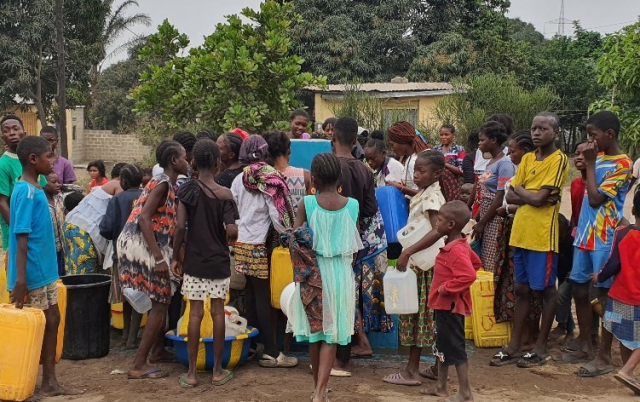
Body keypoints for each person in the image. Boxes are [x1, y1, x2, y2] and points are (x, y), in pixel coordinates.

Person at [492, 112, 569, 368]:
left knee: (546, 291)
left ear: (556, 133)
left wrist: (522, 192)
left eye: (543, 129)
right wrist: (529, 194)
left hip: (541, 237)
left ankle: (540, 346)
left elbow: (529, 197)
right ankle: (514, 345)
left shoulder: (558, 161)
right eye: (534, 128)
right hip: (520, 233)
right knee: (522, 289)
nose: (536, 133)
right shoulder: (526, 158)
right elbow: (511, 196)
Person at [7, 136, 82, 397]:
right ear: (33, 160)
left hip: (45, 270)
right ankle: (28, 379)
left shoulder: (36, 187)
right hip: (32, 273)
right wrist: (20, 280)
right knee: (34, 327)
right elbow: (21, 236)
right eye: (48, 156)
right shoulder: (25, 191)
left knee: (53, 319)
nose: (53, 161)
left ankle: (50, 381)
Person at [291, 153, 362, 402]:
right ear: (339, 176)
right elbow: (351, 244)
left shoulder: (307, 204)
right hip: (341, 273)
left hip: (313, 273)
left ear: (315, 177)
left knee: (315, 332)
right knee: (332, 334)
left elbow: (296, 239)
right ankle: (321, 391)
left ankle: (317, 389)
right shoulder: (352, 205)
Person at [117, 140, 190, 379]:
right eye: (183, 157)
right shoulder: (162, 184)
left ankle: (157, 351)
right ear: (173, 161)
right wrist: (159, 259)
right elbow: (144, 219)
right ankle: (138, 365)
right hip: (142, 246)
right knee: (161, 301)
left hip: (142, 244)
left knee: (162, 297)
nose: (187, 161)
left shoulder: (164, 183)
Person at [171, 139, 239, 387]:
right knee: (218, 311)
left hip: (195, 261)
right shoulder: (225, 194)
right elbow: (232, 229)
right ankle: (218, 371)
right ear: (218, 162)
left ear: (193, 163)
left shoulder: (187, 190)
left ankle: (190, 373)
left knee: (196, 313)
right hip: (218, 262)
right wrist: (228, 237)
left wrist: (175, 255)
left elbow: (179, 227)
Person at [570, 111, 632, 375]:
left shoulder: (623, 164)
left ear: (610, 135)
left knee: (604, 295)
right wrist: (587, 167)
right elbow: (587, 189)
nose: (590, 142)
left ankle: (605, 357)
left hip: (604, 238)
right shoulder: (601, 159)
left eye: (593, 136)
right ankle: (587, 344)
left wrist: (591, 165)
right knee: (579, 290)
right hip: (585, 235)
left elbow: (596, 199)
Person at [231, 135, 298, 368]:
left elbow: (234, 209)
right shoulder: (271, 177)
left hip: (241, 243)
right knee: (263, 298)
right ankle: (271, 351)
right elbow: (277, 213)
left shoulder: (240, 178)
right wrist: (287, 234)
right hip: (260, 243)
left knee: (249, 294)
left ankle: (250, 346)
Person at [332, 118, 392, 369]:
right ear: (356, 140)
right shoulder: (364, 168)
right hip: (372, 237)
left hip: (353, 240)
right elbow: (369, 207)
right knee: (359, 294)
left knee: (348, 293)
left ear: (333, 138)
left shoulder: (333, 167)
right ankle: (363, 341)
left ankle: (356, 344)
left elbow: (343, 210)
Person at [383, 150, 445, 386]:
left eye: (422, 171)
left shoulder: (431, 199)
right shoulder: (426, 193)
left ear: (437, 173)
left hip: (423, 265)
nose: (416, 175)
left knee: (418, 316)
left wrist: (407, 252)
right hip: (423, 262)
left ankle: (411, 371)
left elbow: (437, 230)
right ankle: (438, 368)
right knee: (429, 317)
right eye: (415, 170)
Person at [425, 200, 480, 401]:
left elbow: (469, 275)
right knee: (441, 346)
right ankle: (441, 386)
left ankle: (465, 393)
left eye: (439, 220)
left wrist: (446, 288)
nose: (436, 224)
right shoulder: (458, 245)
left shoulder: (456, 250)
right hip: (443, 306)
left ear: (450, 225)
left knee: (455, 348)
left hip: (450, 307)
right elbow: (476, 263)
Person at [591, 188, 640, 396]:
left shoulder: (622, 233)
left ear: (633, 209)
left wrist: (599, 277)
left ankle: (629, 372)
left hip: (618, 295)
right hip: (637, 299)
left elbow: (613, 263)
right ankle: (628, 370)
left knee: (626, 337)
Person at [99, 164, 144, 349]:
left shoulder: (116, 200)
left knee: (126, 295)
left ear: (123, 182)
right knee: (139, 295)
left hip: (122, 254)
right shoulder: (146, 197)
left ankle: (125, 336)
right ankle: (133, 337)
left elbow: (106, 229)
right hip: (142, 255)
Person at [493, 131, 535, 323]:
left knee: (521, 281)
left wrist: (511, 206)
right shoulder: (519, 173)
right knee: (511, 280)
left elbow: (536, 201)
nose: (510, 155)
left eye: (513, 152)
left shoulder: (530, 175)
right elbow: (511, 195)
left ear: (525, 152)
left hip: (521, 227)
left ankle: (526, 327)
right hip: (510, 227)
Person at [0, 115, 48, 253]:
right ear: (3, 137)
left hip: (37, 229)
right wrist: (17, 230)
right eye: (6, 130)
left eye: (15, 129)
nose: (12, 133)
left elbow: (42, 188)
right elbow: (2, 202)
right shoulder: (3, 165)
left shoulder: (32, 160)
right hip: (19, 232)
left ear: (24, 133)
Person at [472, 121, 515, 273]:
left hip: (496, 218)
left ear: (493, 140)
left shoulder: (505, 164)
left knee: (492, 260)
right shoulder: (491, 162)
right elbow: (483, 191)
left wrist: (482, 222)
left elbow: (500, 196)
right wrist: (476, 218)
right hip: (486, 216)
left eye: (482, 140)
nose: (479, 143)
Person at [265, 130, 311, 213]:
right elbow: (311, 209)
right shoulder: (306, 175)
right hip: (300, 225)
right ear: (288, 150)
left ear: (267, 153)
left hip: (273, 225)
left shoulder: (263, 177)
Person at [386, 121, 429, 198]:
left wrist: (401, 188)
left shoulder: (414, 161)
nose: (392, 148)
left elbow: (426, 193)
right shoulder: (410, 158)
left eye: (392, 145)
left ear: (402, 142)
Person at [434, 124, 465, 202]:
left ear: (453, 135)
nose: (443, 137)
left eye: (446, 134)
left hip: (454, 187)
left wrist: (444, 164)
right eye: (441, 135)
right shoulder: (436, 149)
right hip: (437, 186)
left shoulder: (459, 149)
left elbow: (461, 170)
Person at [44, 173, 66, 277]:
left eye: (58, 181)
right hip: (47, 248)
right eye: (53, 182)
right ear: (43, 183)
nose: (58, 184)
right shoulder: (41, 202)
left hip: (62, 246)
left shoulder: (60, 197)